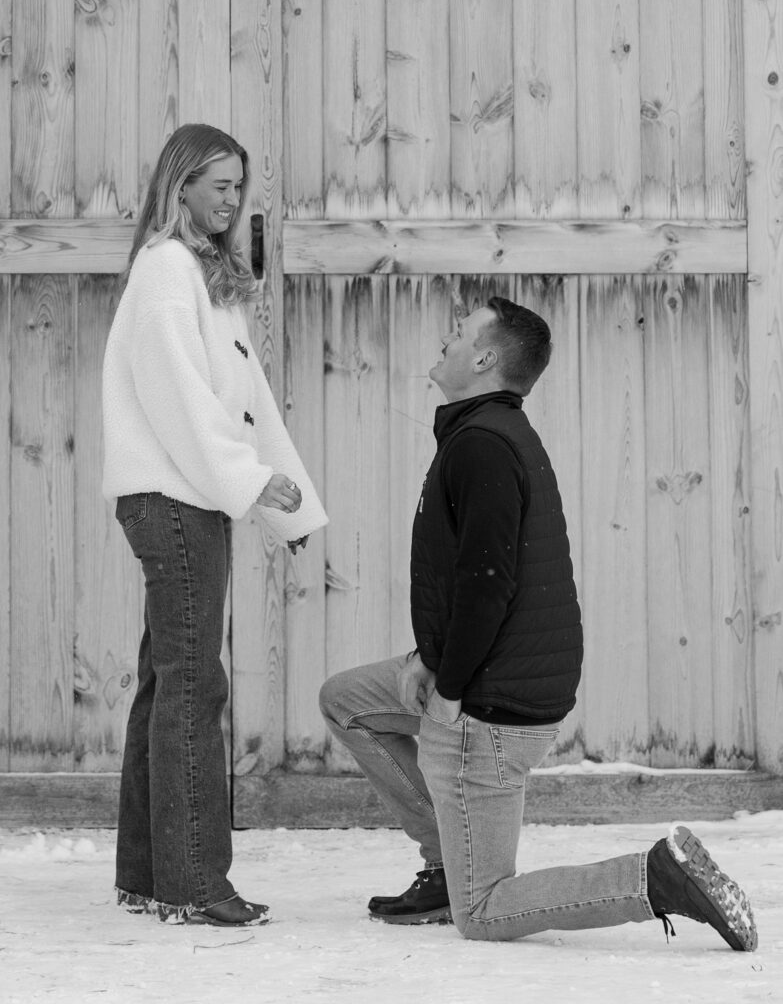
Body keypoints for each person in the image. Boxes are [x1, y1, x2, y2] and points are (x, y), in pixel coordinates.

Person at [319, 296, 757, 951]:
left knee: (483, 911)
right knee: (347, 699)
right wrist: (429, 658)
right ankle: (446, 863)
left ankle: (653, 878)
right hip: (493, 672)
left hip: (491, 708)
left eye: (459, 331)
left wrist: (449, 688)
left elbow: (486, 586)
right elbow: (476, 576)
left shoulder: (483, 446)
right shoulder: (485, 433)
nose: (445, 338)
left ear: (485, 359)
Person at [103, 123, 327, 927]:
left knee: (169, 682)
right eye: (219, 185)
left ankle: (149, 876)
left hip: (184, 494)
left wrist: (281, 502)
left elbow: (243, 402)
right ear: (181, 186)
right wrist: (252, 483)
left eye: (239, 186)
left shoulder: (193, 272)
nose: (233, 199)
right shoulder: (168, 267)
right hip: (175, 498)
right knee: (195, 686)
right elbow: (180, 399)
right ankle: (194, 885)